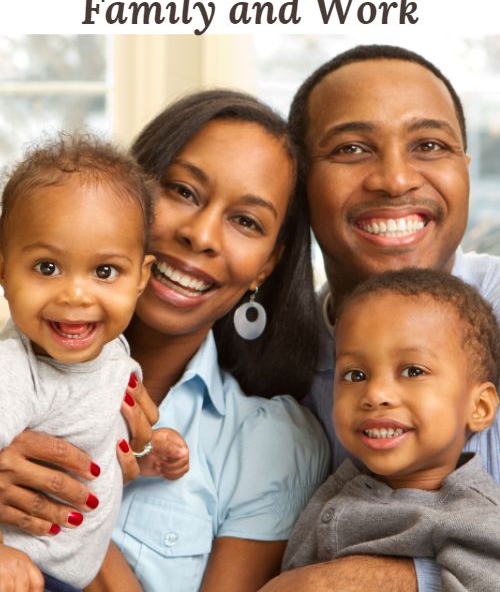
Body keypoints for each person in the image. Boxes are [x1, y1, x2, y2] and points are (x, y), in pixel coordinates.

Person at [0, 91, 329, 592]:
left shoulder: (270, 442)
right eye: (182, 191)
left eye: (246, 221)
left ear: (267, 263)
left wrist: (80, 498)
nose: (201, 235)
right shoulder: (13, 363)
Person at [261, 44, 500, 592]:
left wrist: (382, 580)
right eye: (350, 148)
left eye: (430, 145)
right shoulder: (270, 365)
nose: (394, 179)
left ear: (465, 170)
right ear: (299, 186)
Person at [0, 136, 188, 592]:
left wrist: (145, 455)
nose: (76, 295)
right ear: (3, 271)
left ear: (141, 277)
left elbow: (93, 451)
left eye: (105, 272)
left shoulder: (115, 356)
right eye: (47, 267)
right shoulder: (14, 369)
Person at [283, 268, 500, 591]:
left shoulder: (474, 518)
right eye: (355, 375)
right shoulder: (334, 491)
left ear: (479, 408)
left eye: (413, 371)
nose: (375, 395)